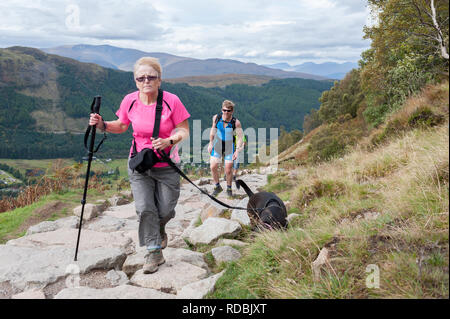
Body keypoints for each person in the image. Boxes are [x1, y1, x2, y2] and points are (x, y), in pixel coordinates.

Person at [89, 57, 190, 274]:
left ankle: (160, 228)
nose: (146, 81)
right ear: (136, 81)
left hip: (167, 164)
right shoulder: (130, 101)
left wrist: (169, 140)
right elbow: (122, 125)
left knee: (165, 209)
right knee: (145, 209)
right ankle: (153, 252)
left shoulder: (172, 101)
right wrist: (103, 125)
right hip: (139, 164)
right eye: (141, 78)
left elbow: (184, 130)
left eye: (151, 77)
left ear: (159, 80)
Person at [208, 100, 244, 198]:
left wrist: (237, 150)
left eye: (228, 111)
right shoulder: (216, 118)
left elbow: (240, 137)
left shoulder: (236, 122)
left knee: (228, 170)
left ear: (232, 111)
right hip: (218, 143)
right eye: (224, 110)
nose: (226, 112)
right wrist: (210, 143)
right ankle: (217, 187)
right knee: (213, 166)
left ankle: (229, 188)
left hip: (229, 145)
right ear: (222, 109)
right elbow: (213, 129)